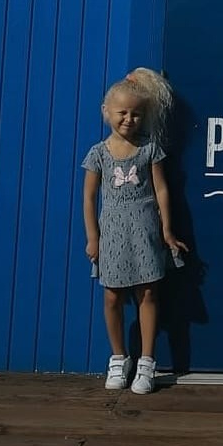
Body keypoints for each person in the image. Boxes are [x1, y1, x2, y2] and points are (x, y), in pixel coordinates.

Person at [81, 68, 188, 394]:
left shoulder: (150, 149)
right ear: (107, 112)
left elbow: (162, 190)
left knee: (148, 293)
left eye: (136, 114)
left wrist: (167, 230)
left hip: (145, 230)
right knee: (112, 295)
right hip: (112, 233)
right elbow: (89, 197)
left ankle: (147, 362)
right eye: (122, 113)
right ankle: (118, 358)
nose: (129, 119)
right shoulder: (98, 153)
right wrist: (93, 237)